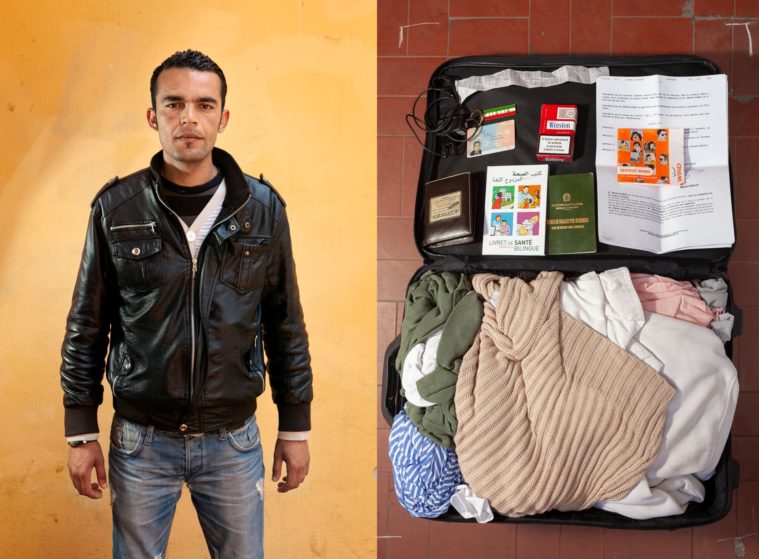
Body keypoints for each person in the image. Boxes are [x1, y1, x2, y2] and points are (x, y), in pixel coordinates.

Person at [60, 49, 312, 559]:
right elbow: (88, 321)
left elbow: (286, 323)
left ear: (223, 117)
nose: (189, 118)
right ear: (153, 116)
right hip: (140, 440)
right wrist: (79, 431)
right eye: (173, 104)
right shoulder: (116, 208)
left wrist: (295, 425)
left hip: (232, 439)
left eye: (203, 104)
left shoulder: (262, 210)